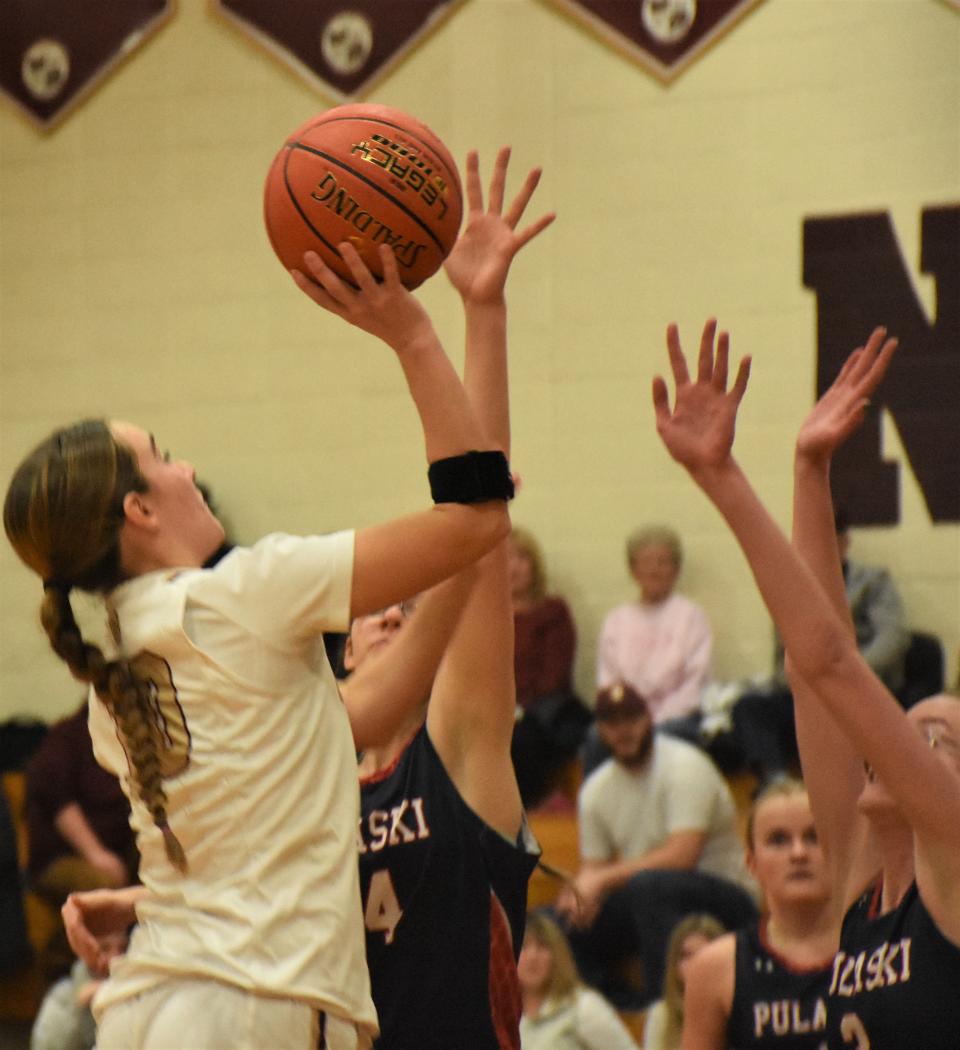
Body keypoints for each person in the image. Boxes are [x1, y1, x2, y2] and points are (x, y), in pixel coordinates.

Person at [4, 235, 515, 1049]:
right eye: (162, 459)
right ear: (139, 511)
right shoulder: (248, 592)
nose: (186, 468)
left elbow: (353, 719)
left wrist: (143, 901)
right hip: (253, 1005)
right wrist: (413, 334)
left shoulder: (113, 668)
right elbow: (476, 518)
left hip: (149, 1003)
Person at [651, 319, 960, 1048]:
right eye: (914, 725)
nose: (912, 738)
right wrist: (809, 472)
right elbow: (811, 672)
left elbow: (833, 662)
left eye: (940, 739)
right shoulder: (862, 876)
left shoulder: (950, 857)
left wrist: (724, 481)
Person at [345, 146, 553, 1049]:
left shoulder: (459, 749)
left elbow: (479, 517)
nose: (392, 611)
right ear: (340, 652)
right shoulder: (304, 781)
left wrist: (482, 311)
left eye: (405, 603)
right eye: (374, 609)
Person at [556, 681, 758, 1010]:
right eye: (612, 723)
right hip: (650, 903)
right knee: (558, 920)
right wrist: (580, 894)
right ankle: (617, 1008)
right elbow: (594, 869)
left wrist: (601, 880)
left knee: (648, 886)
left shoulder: (685, 766)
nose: (623, 731)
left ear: (649, 719)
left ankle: (662, 1008)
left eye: (631, 719)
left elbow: (683, 854)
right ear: (601, 731)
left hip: (726, 897)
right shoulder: (595, 789)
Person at [731, 507, 910, 782]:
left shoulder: (872, 581)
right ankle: (777, 785)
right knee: (750, 708)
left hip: (863, 687)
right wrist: (805, 682)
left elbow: (892, 638)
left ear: (844, 542)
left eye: (828, 539)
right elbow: (783, 657)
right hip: (810, 692)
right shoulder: (791, 588)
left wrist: (846, 673)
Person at [681, 778, 836, 1049]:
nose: (798, 853)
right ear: (752, 863)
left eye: (814, 837)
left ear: (840, 851)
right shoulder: (715, 968)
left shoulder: (877, 947)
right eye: (779, 840)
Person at [25, 698, 137, 982]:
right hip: (60, 859)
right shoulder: (70, 736)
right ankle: (59, 971)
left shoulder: (132, 736)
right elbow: (55, 796)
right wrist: (96, 853)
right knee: (102, 886)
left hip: (119, 853)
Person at [583, 526, 712, 773]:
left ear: (676, 570)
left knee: (666, 736)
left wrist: (651, 721)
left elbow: (695, 683)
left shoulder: (691, 617)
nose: (654, 570)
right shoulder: (617, 620)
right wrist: (627, 721)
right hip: (626, 717)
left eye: (663, 562)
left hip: (677, 718)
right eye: (646, 563)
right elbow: (609, 682)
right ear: (633, 570)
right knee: (594, 738)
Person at [508, 525, 588, 808]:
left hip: (540, 714)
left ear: (534, 566)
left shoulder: (552, 612)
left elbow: (555, 673)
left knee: (519, 741)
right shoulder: (483, 618)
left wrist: (515, 706)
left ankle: (531, 812)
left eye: (521, 558)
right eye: (504, 559)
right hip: (495, 713)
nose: (512, 567)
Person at [518, 910, 639, 1050]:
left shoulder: (584, 1007)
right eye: (523, 947)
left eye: (542, 947)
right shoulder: (500, 1015)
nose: (532, 957)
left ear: (558, 955)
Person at [642, 913, 725, 1050]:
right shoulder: (662, 1015)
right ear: (675, 965)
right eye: (686, 956)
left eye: (704, 955)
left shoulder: (739, 1014)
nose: (695, 964)